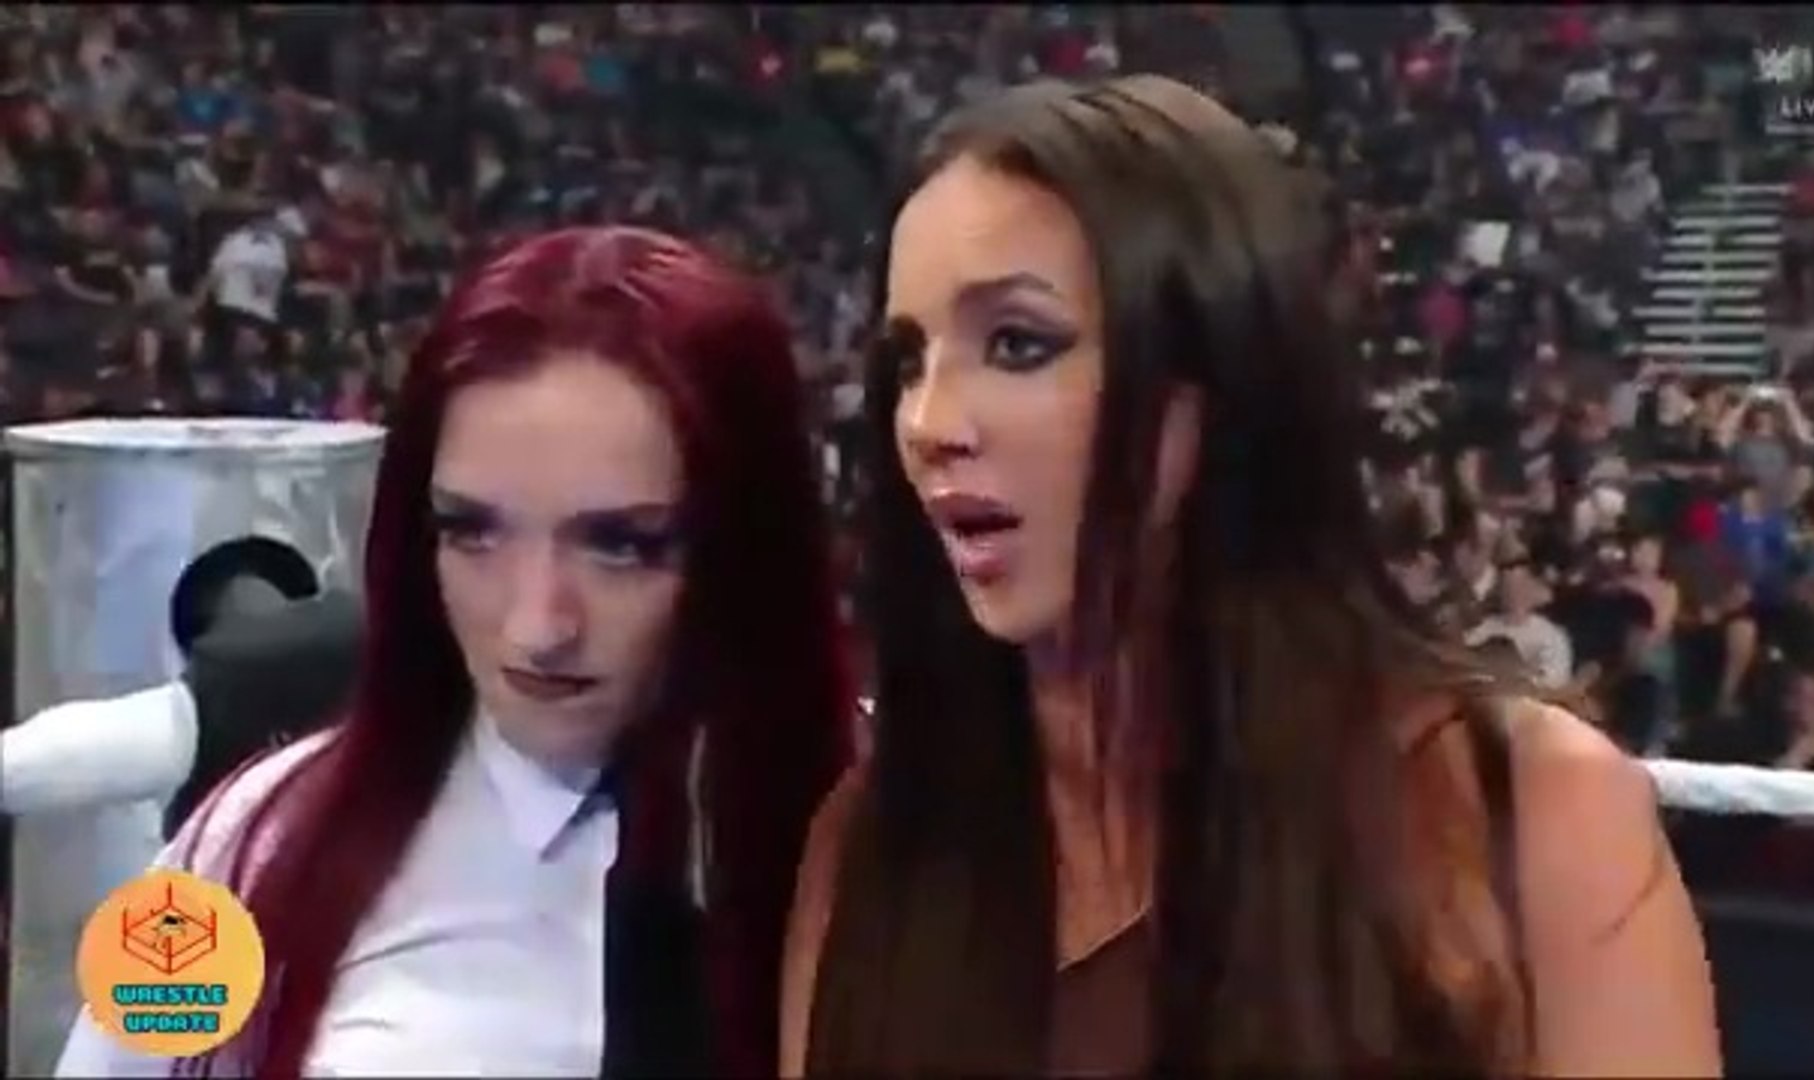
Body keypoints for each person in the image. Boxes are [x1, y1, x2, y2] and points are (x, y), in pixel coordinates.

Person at [782, 76, 1718, 1076]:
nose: (929, 424)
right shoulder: (873, 847)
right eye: (907, 362)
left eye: (1017, 344)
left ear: (1219, 377)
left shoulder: (1533, 822)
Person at [57, 227, 852, 1077]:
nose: (537, 626)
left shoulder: (899, 832)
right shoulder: (254, 843)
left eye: (622, 546)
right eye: (471, 533)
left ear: (746, 543)